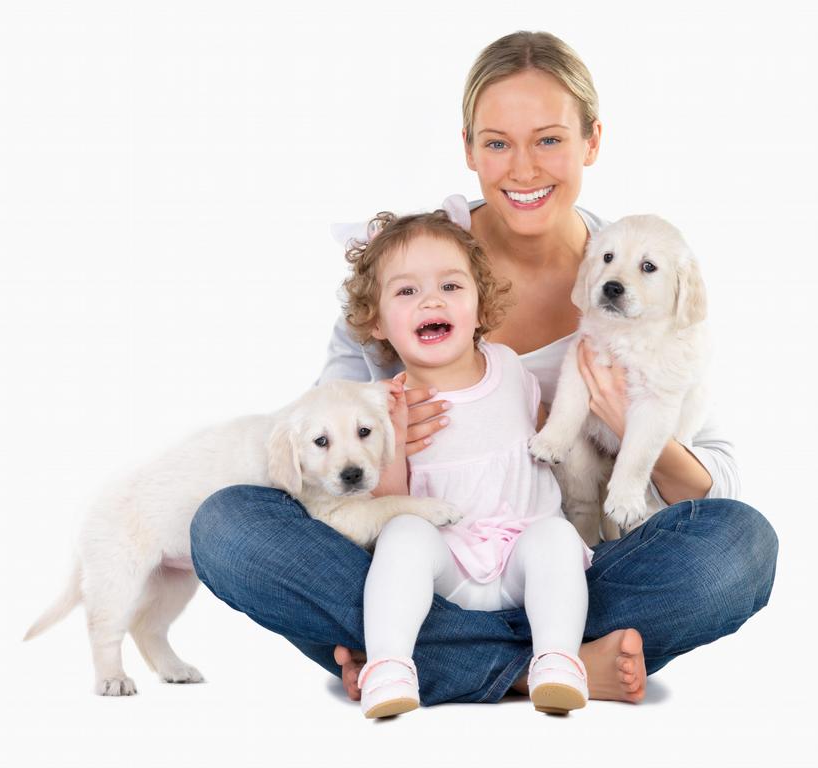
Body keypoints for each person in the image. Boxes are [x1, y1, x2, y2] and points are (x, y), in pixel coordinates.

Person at [189, 30, 778, 707]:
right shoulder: (409, 265)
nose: (522, 169)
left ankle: (415, 660)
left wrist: (628, 425)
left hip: (569, 562)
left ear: (591, 141)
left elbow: (718, 481)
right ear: (467, 149)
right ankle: (545, 666)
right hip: (417, 558)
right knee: (228, 527)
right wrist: (385, 445)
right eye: (496, 143)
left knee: (739, 547)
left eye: (549, 139)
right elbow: (322, 441)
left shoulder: (642, 262)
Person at [341, 208, 596, 718]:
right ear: (376, 322)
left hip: (525, 563)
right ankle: (391, 664)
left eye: (451, 287)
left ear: (481, 307)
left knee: (558, 539)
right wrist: (394, 434)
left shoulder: (509, 366)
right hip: (445, 571)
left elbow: (554, 443)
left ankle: (556, 657)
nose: (431, 300)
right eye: (406, 292)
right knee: (403, 536)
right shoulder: (381, 405)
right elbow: (386, 507)